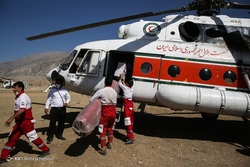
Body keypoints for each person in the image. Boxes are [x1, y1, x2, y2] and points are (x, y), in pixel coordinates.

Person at [0, 81, 50, 164]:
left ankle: (45, 150)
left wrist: (11, 118)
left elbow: (22, 110)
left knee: (33, 138)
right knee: (12, 137)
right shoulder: (18, 97)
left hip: (26, 123)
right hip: (20, 123)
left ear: (20, 88)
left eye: (14, 87)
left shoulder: (23, 97)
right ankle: (3, 157)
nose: (13, 89)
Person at [89, 76, 117, 155]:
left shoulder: (101, 91)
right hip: (113, 113)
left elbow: (91, 100)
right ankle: (110, 142)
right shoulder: (114, 92)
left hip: (105, 113)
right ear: (111, 83)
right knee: (111, 128)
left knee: (102, 129)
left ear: (105, 82)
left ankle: (103, 147)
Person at [44, 78, 71, 144]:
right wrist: (46, 107)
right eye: (56, 83)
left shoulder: (65, 91)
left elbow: (68, 97)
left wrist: (66, 102)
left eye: (58, 83)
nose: (57, 84)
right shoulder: (52, 90)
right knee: (52, 123)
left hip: (62, 109)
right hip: (54, 109)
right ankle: (50, 137)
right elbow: (49, 99)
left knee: (61, 123)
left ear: (61, 84)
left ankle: (59, 135)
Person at [118, 75, 135, 144]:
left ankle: (131, 137)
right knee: (130, 122)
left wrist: (120, 79)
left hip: (127, 109)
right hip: (131, 108)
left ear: (128, 84)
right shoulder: (130, 89)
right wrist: (123, 81)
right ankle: (128, 136)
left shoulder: (125, 88)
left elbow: (120, 84)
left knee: (128, 123)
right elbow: (125, 86)